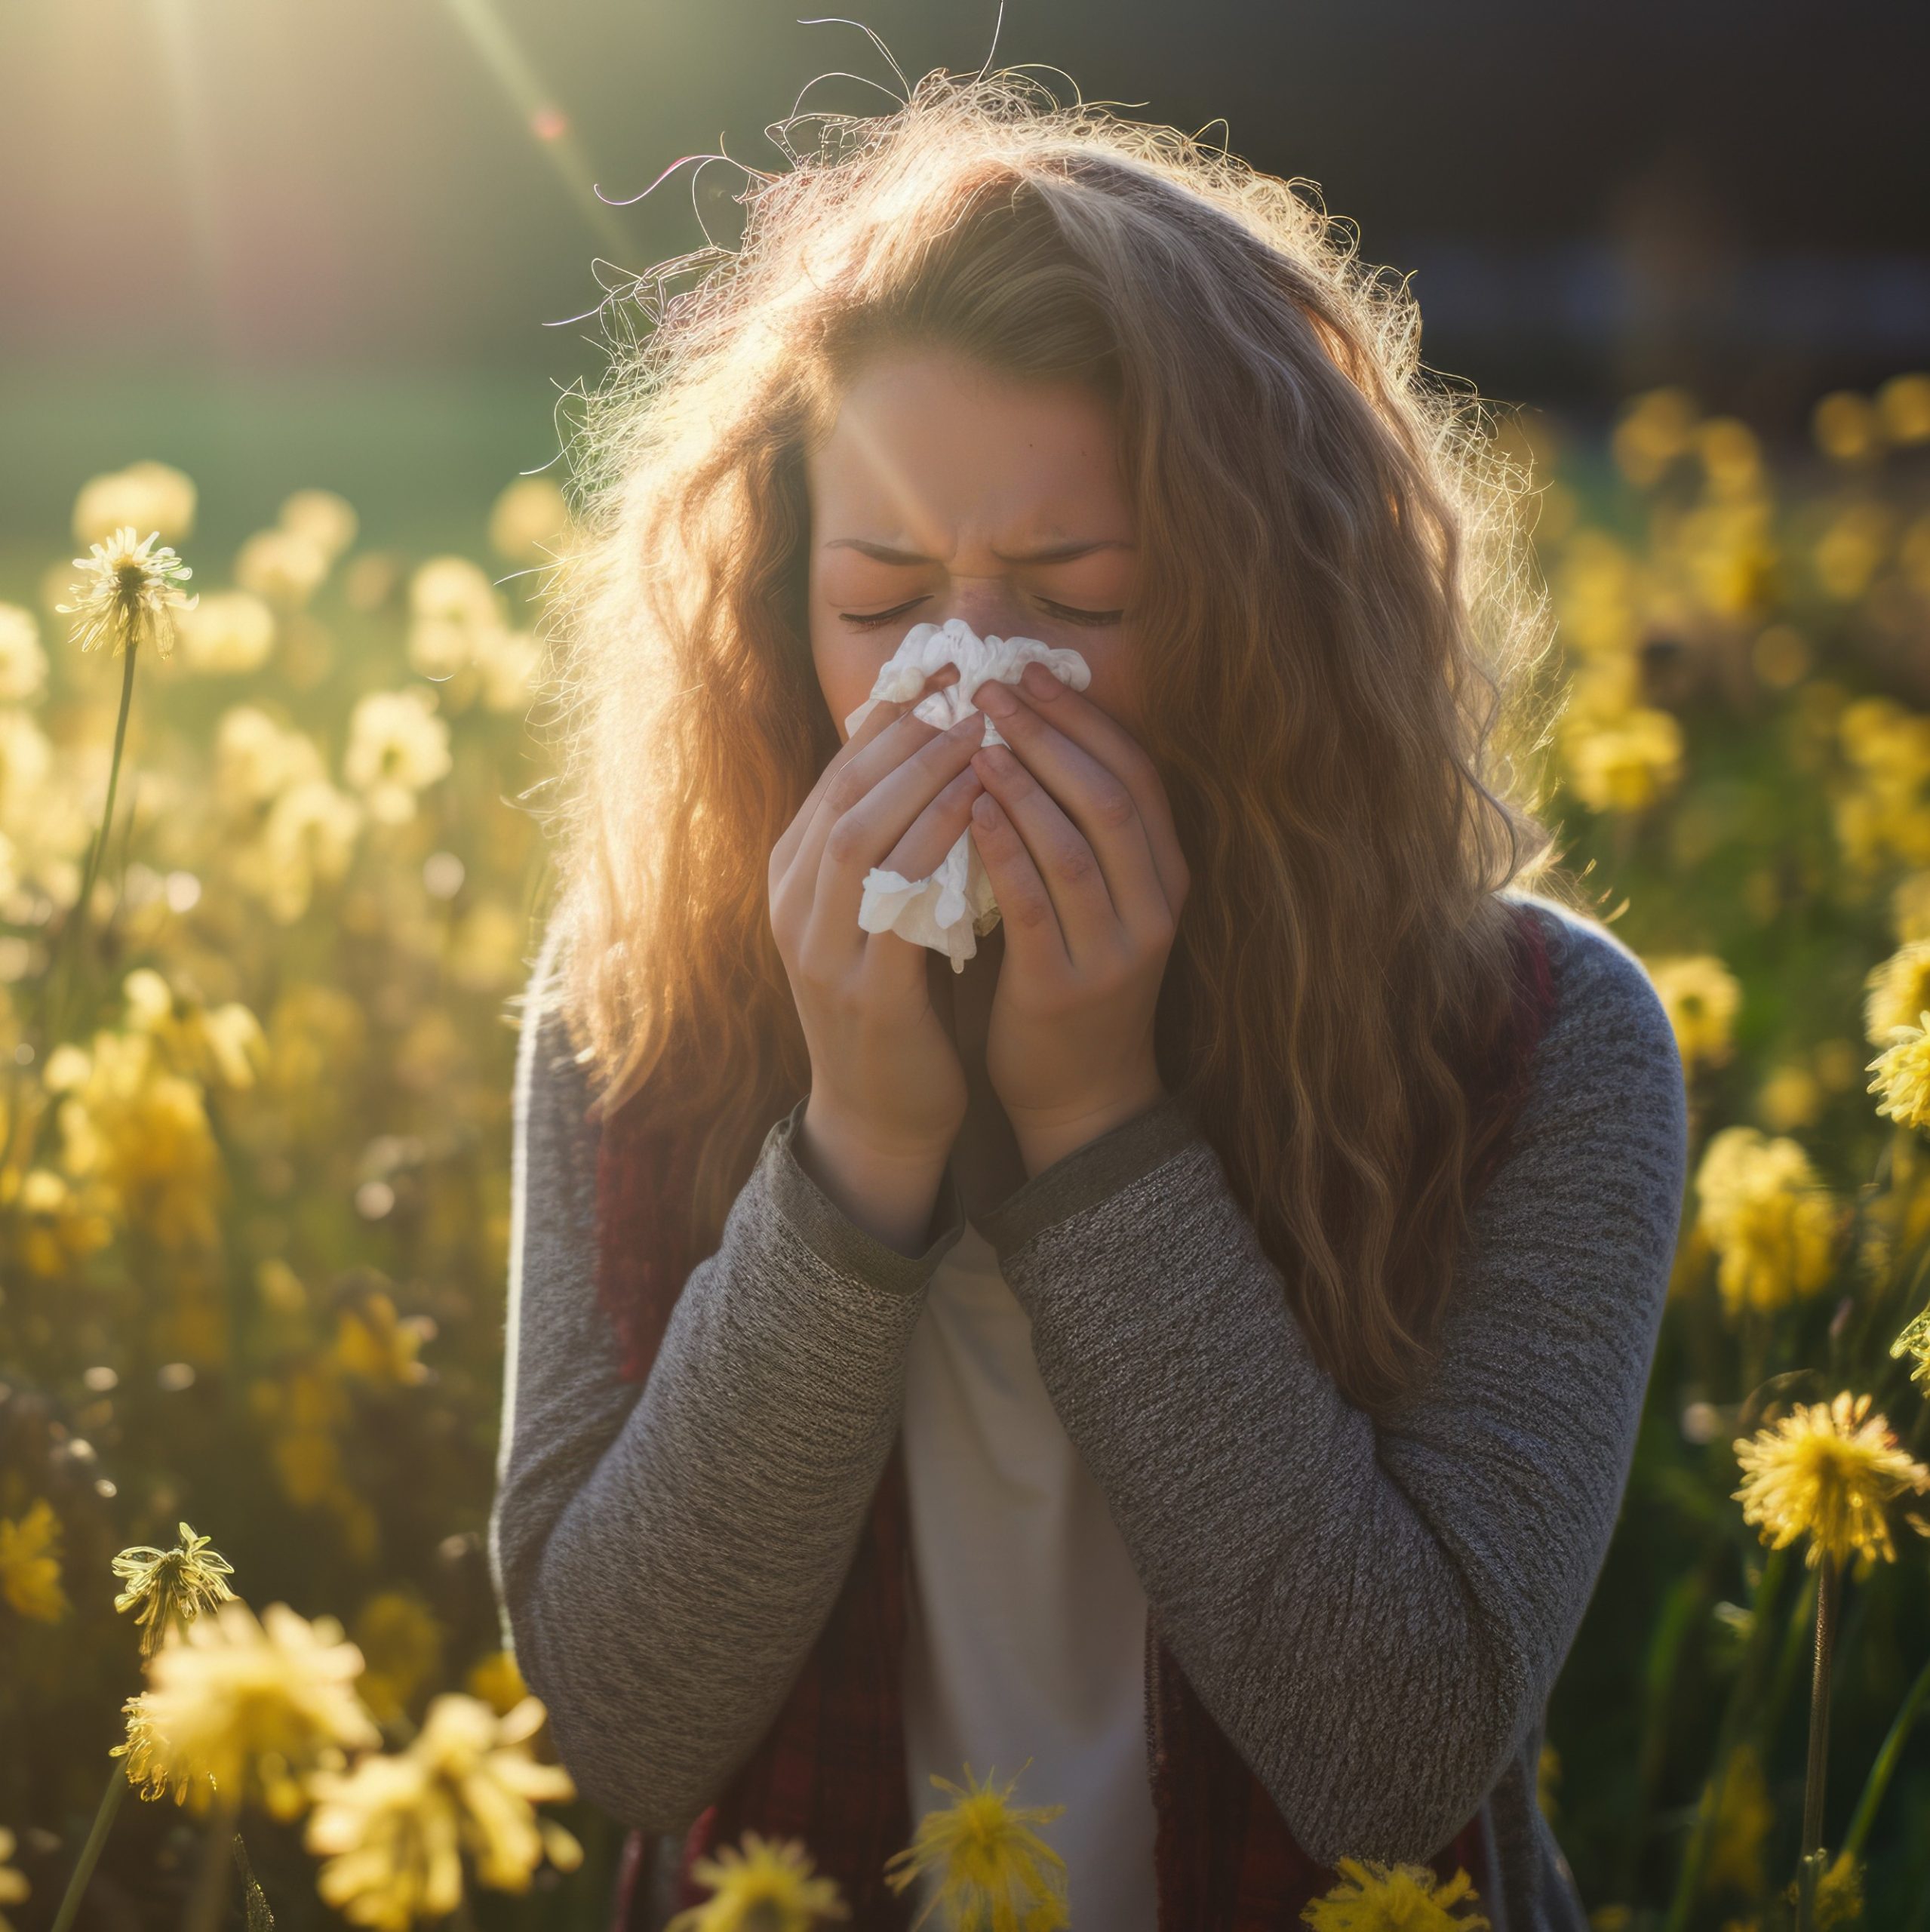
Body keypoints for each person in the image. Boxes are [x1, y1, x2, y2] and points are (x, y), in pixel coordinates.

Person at [488, 65, 1689, 1932]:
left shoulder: (1540, 1046)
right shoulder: (637, 997)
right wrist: (860, 1145)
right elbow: (630, 1728)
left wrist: (1097, 1117)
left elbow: (1391, 1754)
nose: (969, 678)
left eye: (1075, 590)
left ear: (1265, 610)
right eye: (884, 602)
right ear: (778, 609)